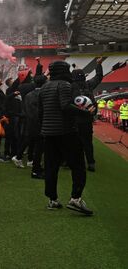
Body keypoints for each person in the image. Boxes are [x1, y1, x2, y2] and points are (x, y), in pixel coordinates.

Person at [39, 61, 93, 215]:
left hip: (48, 133)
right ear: (64, 71)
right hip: (66, 132)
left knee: (51, 167)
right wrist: (85, 112)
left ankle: (53, 200)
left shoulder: (44, 87)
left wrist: (44, 128)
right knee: (78, 166)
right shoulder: (64, 85)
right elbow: (65, 106)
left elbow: (40, 113)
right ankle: (75, 199)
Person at [71, 57, 103, 172]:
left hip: (74, 120)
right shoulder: (88, 84)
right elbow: (98, 77)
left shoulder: (70, 87)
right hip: (87, 120)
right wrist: (98, 64)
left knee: (74, 143)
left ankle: (74, 163)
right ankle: (90, 163)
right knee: (88, 143)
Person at [23, 75, 46, 179]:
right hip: (41, 125)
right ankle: (36, 170)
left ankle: (36, 168)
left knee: (35, 148)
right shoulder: (44, 94)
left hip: (30, 125)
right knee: (39, 149)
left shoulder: (28, 95)